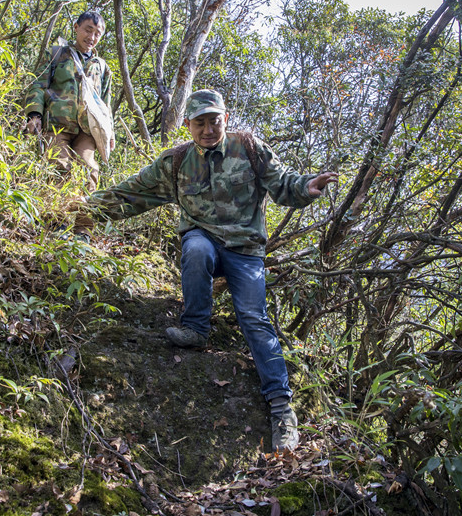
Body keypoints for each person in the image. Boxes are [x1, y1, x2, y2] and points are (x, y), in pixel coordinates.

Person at [83, 89, 338, 451]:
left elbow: (283, 183)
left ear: (225, 119)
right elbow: (132, 193)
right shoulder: (176, 162)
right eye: (199, 123)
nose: (207, 130)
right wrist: (84, 210)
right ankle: (196, 328)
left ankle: (282, 410)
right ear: (188, 124)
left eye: (214, 121)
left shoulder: (249, 148)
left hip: (245, 250)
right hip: (203, 239)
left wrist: (306, 187)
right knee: (196, 248)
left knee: (254, 318)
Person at [24, 10, 114, 192]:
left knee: (88, 170)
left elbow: (105, 104)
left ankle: (84, 210)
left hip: (87, 130)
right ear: (76, 27)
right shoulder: (56, 54)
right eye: (88, 30)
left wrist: (110, 133)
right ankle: (55, 211)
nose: (92, 37)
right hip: (56, 126)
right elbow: (38, 85)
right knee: (59, 168)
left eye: (97, 34)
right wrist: (34, 115)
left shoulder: (102, 67)